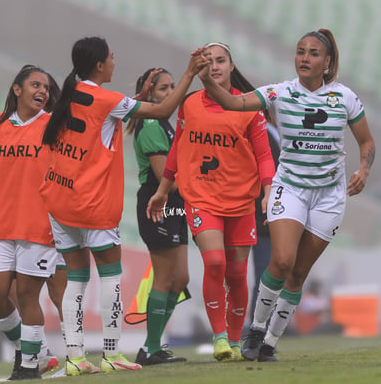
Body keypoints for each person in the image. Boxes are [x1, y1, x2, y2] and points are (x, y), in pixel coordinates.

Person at [198, 28, 376, 361]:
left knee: (298, 273)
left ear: (327, 62)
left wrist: (363, 169)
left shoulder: (345, 97)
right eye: (300, 52)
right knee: (281, 261)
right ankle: (255, 329)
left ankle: (270, 345)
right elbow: (234, 103)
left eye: (312, 53)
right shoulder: (279, 92)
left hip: (329, 196)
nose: (304, 58)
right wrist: (207, 79)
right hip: (289, 187)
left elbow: (367, 142)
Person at [39, 36, 208, 376]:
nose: (116, 61)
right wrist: (189, 74)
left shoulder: (71, 94)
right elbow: (162, 111)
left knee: (75, 280)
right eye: (112, 57)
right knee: (110, 278)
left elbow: (103, 113)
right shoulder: (105, 99)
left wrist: (138, 98)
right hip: (92, 205)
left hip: (60, 200)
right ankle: (113, 353)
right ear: (100, 65)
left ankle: (75, 357)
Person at [147, 42, 275, 362]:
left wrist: (269, 189)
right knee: (215, 262)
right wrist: (163, 189)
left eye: (221, 61)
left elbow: (263, 154)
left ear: (232, 67)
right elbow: (178, 147)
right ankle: (219, 338)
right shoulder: (189, 104)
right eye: (210, 61)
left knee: (236, 273)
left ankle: (234, 341)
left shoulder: (249, 107)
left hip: (242, 201)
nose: (215, 66)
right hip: (202, 197)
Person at [0, 65, 65, 380]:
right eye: (35, 85)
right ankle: (35, 353)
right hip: (0, 224)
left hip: (38, 226)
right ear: (17, 89)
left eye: (46, 88)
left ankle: (28, 367)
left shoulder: (53, 126)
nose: (42, 91)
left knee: (27, 295)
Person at [126, 68, 189, 366]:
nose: (170, 92)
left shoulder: (165, 123)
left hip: (176, 203)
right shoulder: (151, 124)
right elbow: (165, 178)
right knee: (164, 278)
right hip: (158, 200)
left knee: (181, 278)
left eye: (172, 86)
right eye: (163, 88)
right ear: (149, 93)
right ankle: (151, 348)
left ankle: (151, 346)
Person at [249, 121, 280, 321]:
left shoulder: (272, 132)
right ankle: (257, 328)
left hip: (272, 216)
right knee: (265, 276)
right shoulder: (261, 133)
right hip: (263, 217)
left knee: (269, 275)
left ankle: (262, 327)